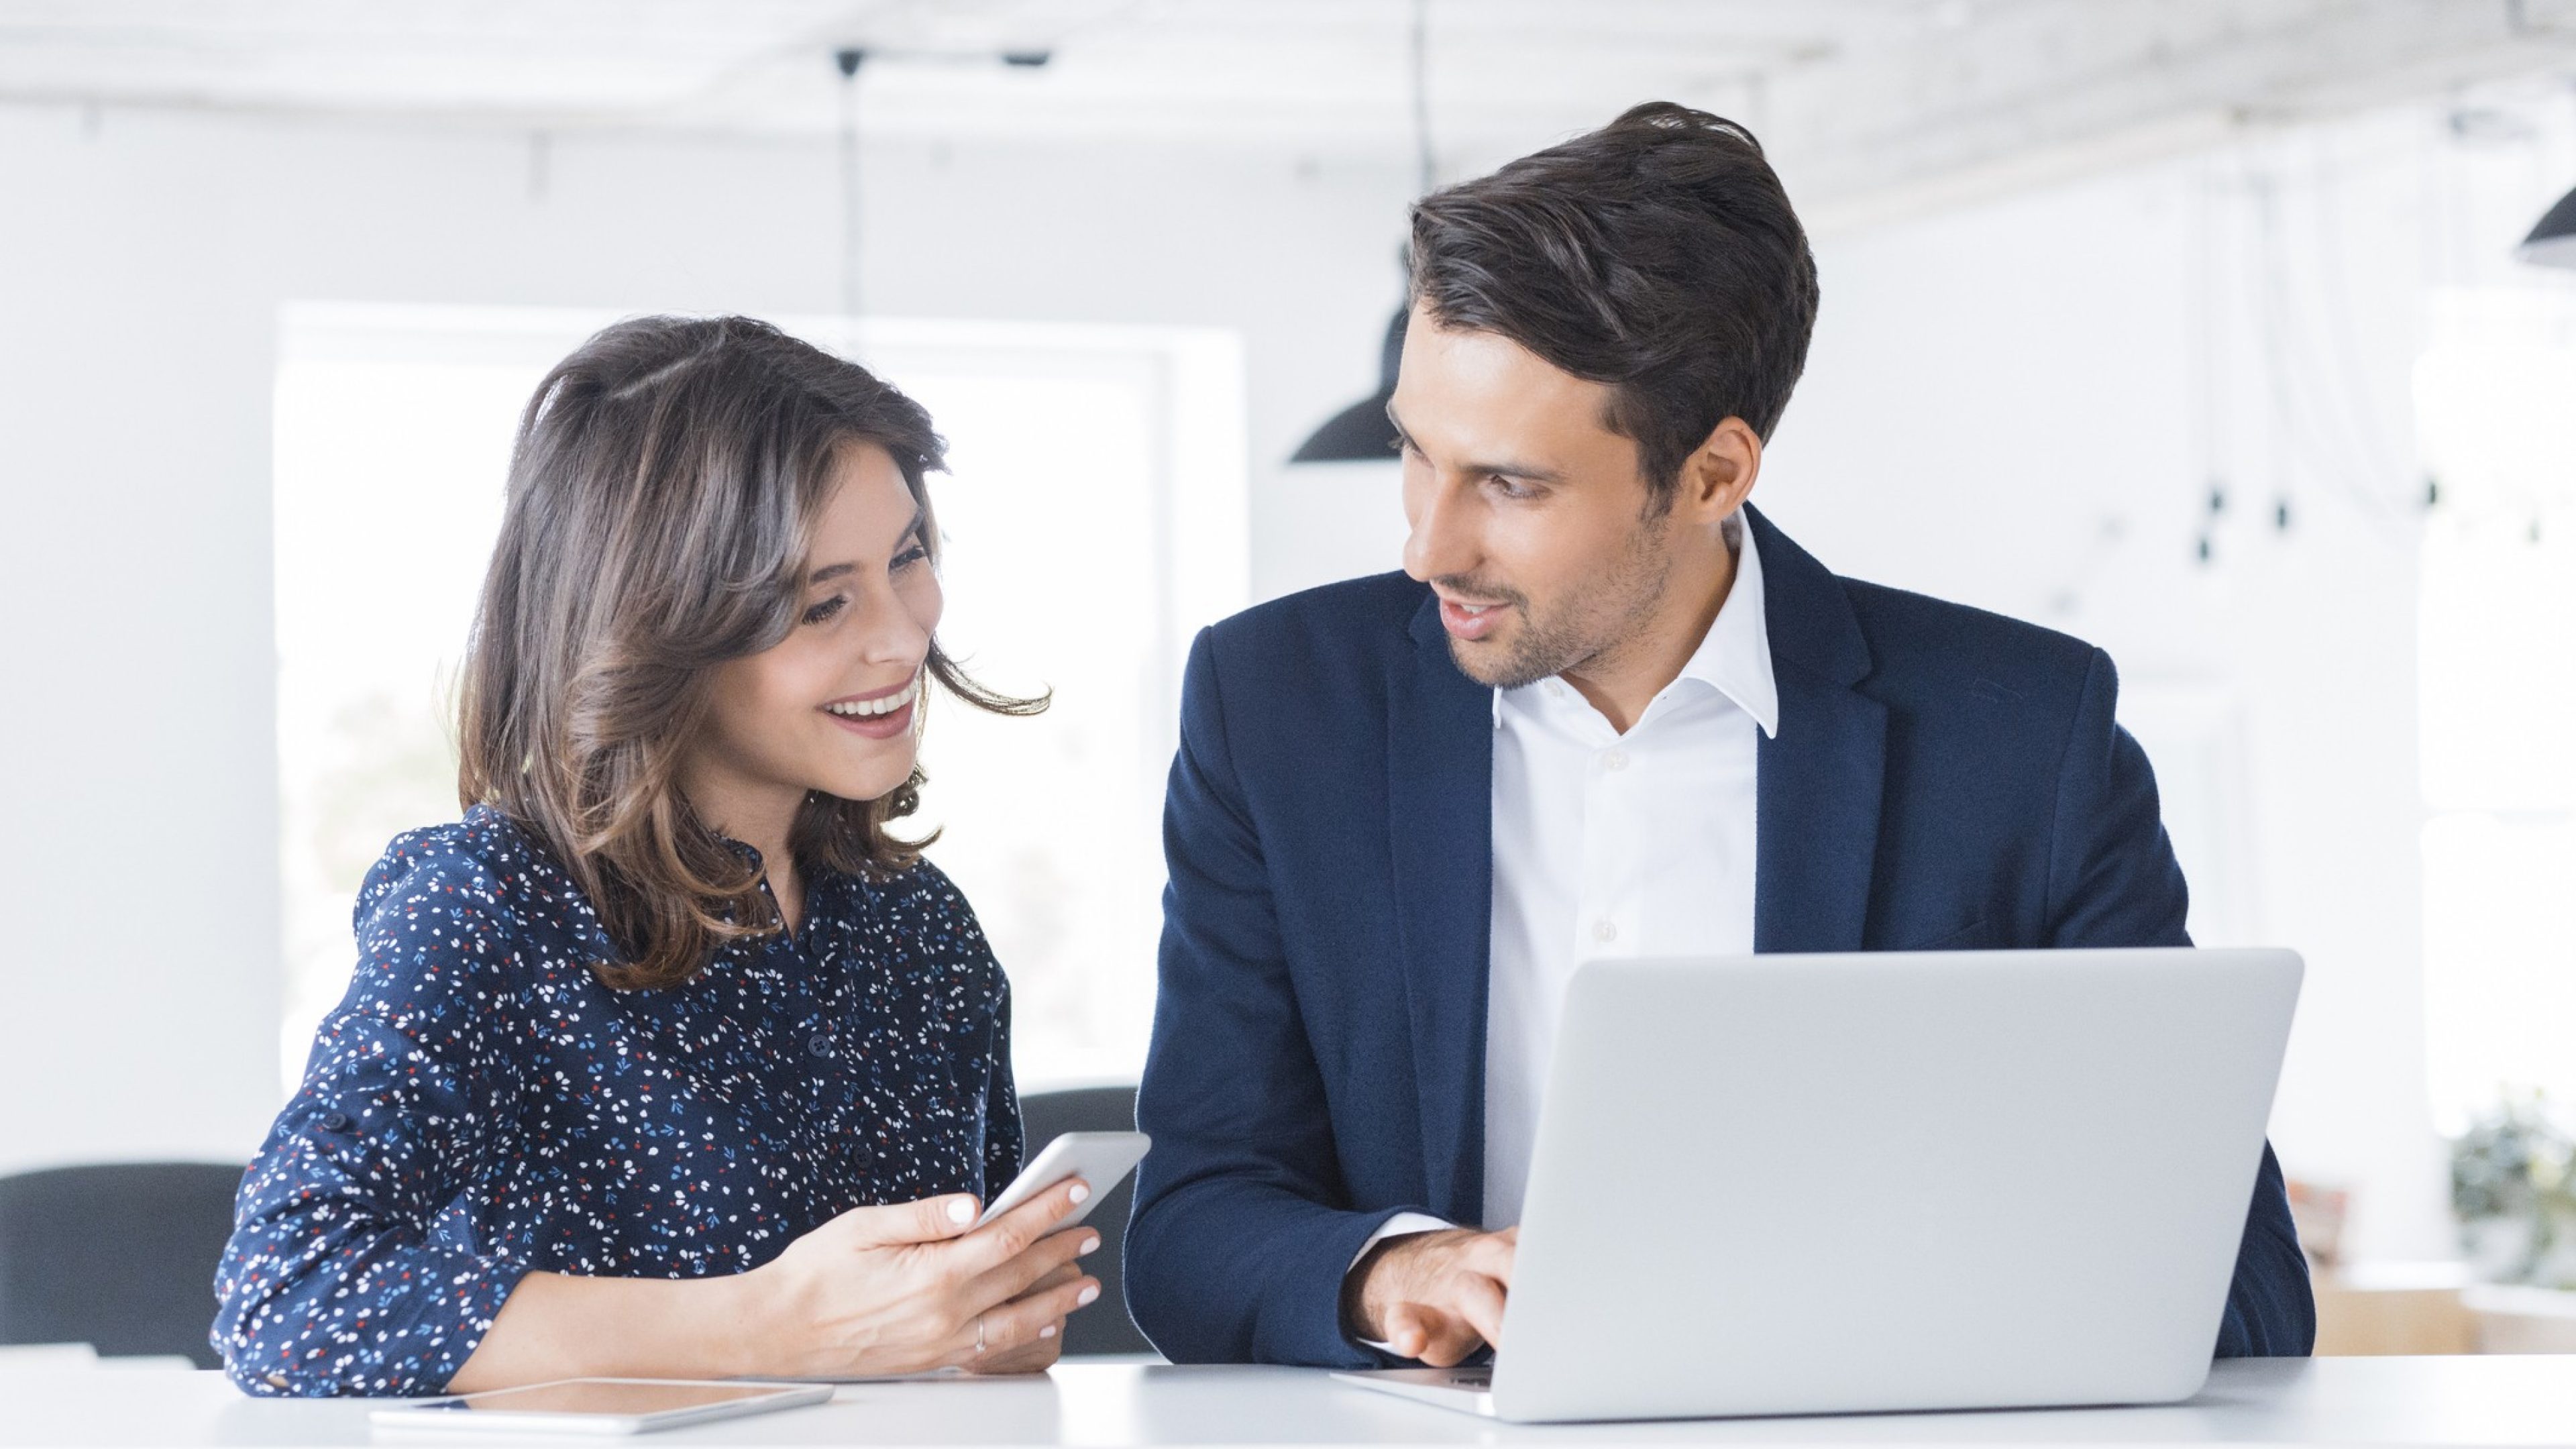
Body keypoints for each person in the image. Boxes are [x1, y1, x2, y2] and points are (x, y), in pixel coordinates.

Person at [1124, 103, 2314, 1368]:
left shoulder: (2025, 739)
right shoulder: (1276, 705)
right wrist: (1390, 1274)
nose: (1428, 545)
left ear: (1712, 473)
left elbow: (2236, 1290)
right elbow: (1192, 1228)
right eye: (1419, 455)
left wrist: (1862, 1324)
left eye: (1511, 486)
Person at [213, 316, 1104, 1396]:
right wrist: (764, 1326)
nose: (905, 637)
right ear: (660, 629)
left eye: (908, 558)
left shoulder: (919, 928)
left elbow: (949, 1330)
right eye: (824, 602)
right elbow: (291, 1298)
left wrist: (985, 1322)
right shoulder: (490, 906)